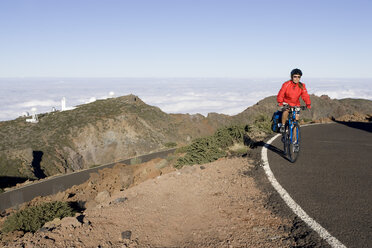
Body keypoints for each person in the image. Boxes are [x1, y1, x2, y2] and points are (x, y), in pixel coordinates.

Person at [277, 68, 311, 134]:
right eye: (295, 77)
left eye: (298, 77)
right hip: (286, 103)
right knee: (286, 111)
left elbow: (305, 95)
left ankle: (295, 141)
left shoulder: (302, 86)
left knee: (295, 122)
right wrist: (280, 102)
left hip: (296, 104)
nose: (297, 78)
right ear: (291, 76)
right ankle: (283, 125)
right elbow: (281, 93)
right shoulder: (286, 84)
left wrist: (308, 104)